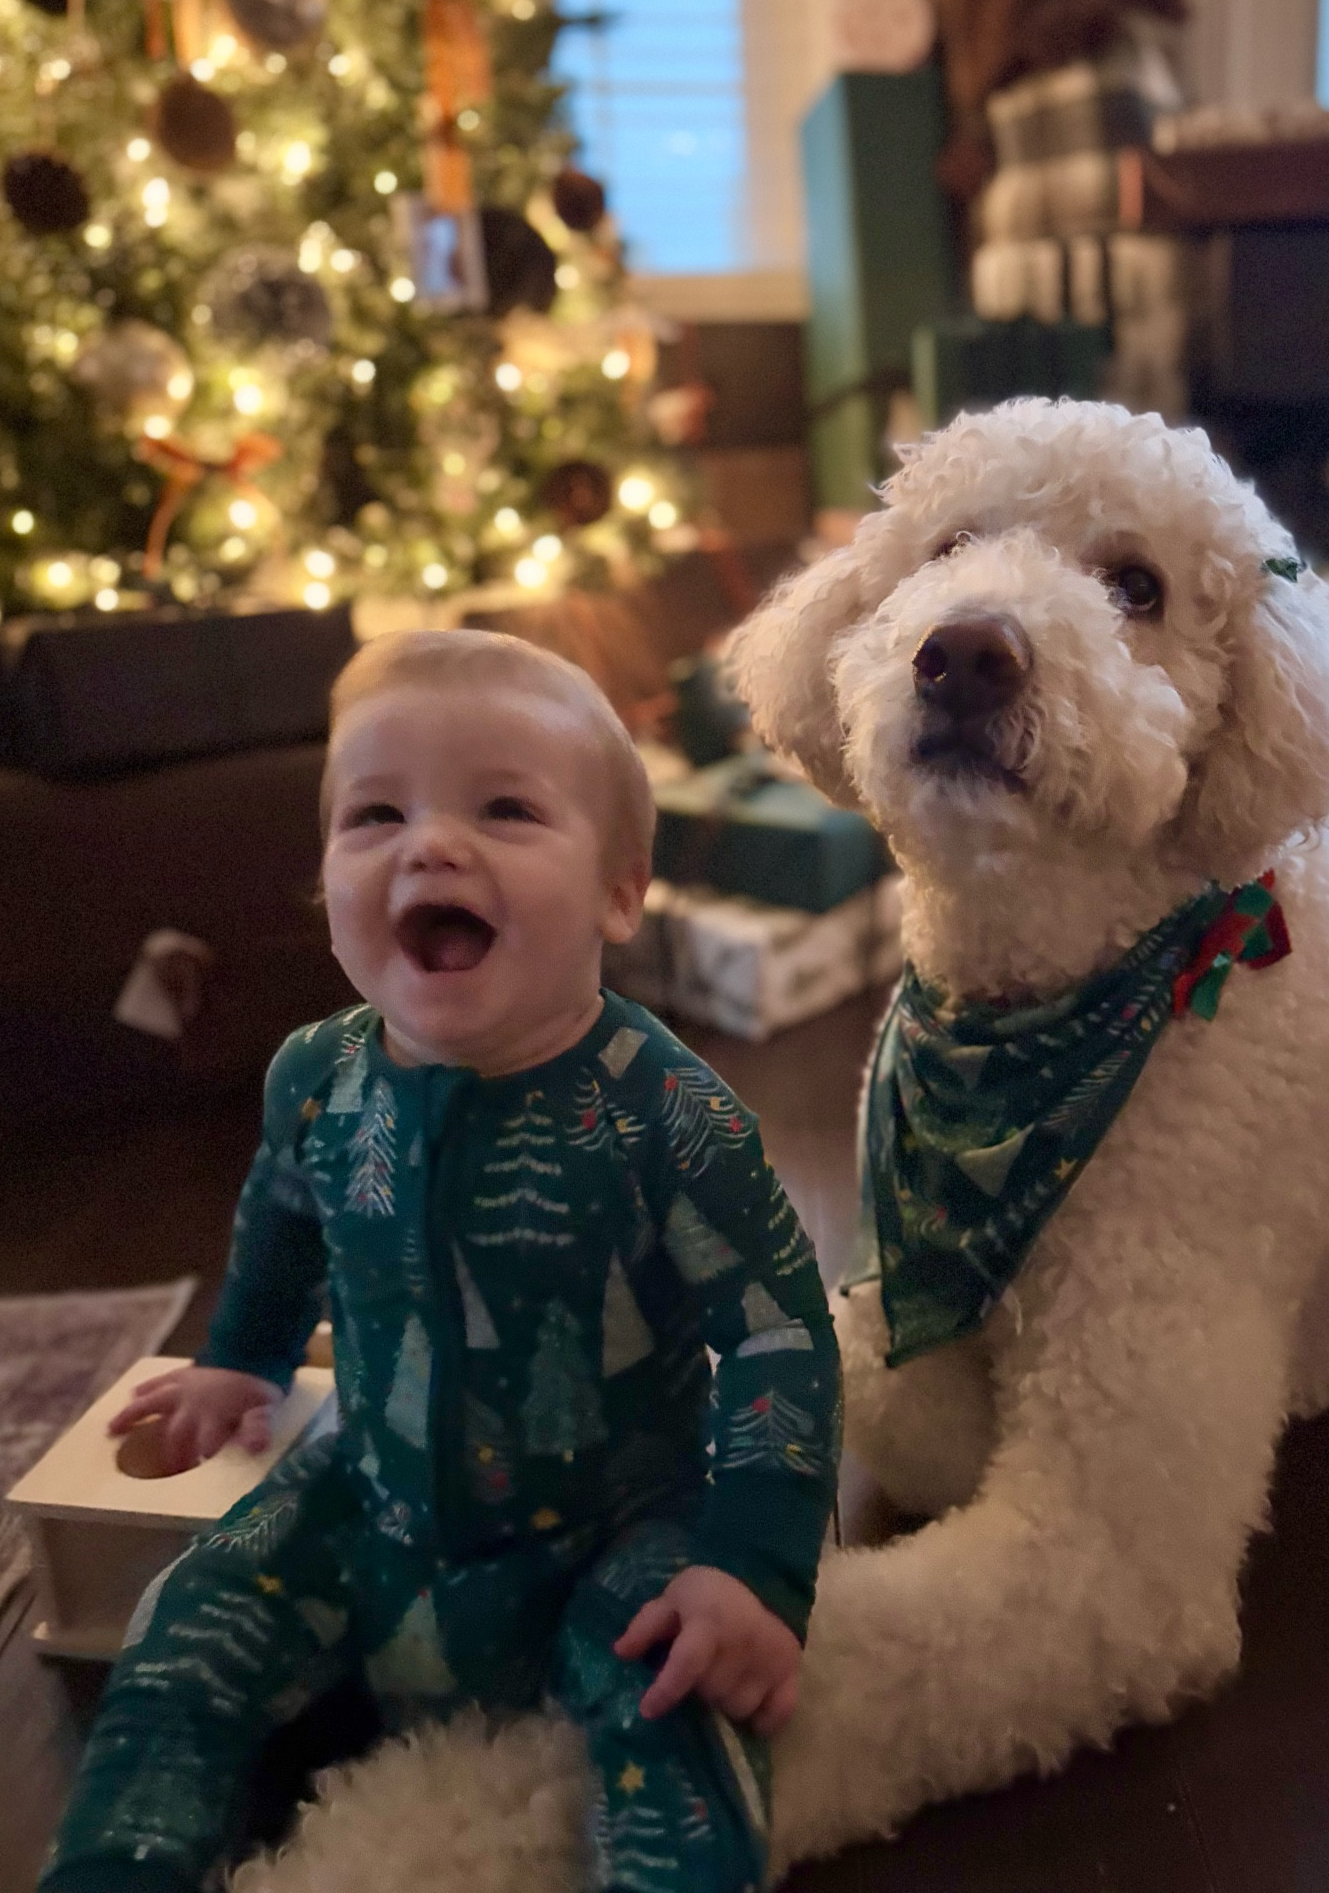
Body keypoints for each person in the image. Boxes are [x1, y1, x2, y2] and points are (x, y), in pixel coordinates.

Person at [42, 629, 841, 1893]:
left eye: (506, 807)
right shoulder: (317, 1076)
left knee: (675, 1696)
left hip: (613, 1527)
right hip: (372, 1493)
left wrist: (750, 1564)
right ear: (325, 876)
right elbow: (283, 1223)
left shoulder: (670, 1114)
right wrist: (239, 1361)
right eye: (374, 814)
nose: (429, 844)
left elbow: (781, 1334)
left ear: (619, 894)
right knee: (183, 1630)